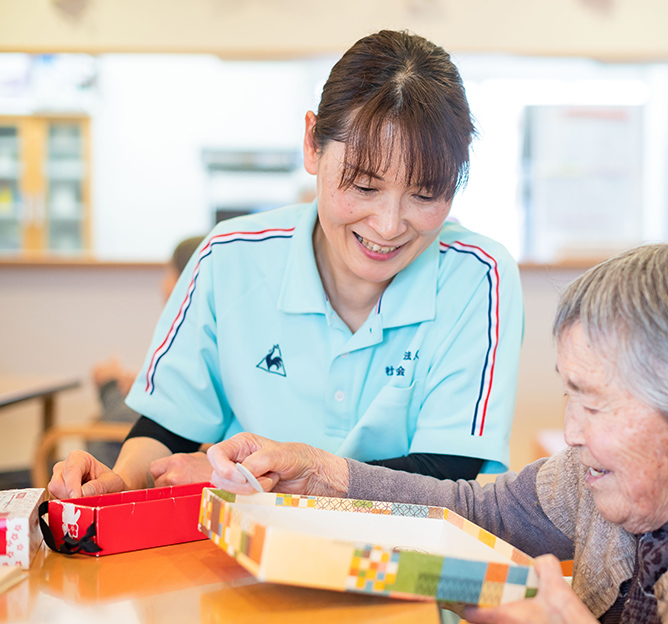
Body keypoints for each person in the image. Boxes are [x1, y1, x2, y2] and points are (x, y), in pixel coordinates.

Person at [209, 242, 668, 623]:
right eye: (568, 395)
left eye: (593, 403)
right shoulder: (631, 469)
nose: (570, 432)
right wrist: (328, 474)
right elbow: (483, 513)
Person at [49, 29, 523, 500]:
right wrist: (120, 481)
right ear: (313, 144)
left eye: (424, 195)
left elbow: (443, 477)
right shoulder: (228, 258)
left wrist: (258, 483)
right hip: (241, 553)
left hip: (395, 559)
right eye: (364, 187)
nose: (388, 225)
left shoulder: (478, 276)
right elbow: (168, 428)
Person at [87, 236, 204, 468]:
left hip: (134, 476)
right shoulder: (191, 332)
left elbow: (151, 426)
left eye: (169, 273)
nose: (163, 284)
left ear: (186, 279)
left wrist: (109, 387)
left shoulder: (193, 337)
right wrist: (140, 385)